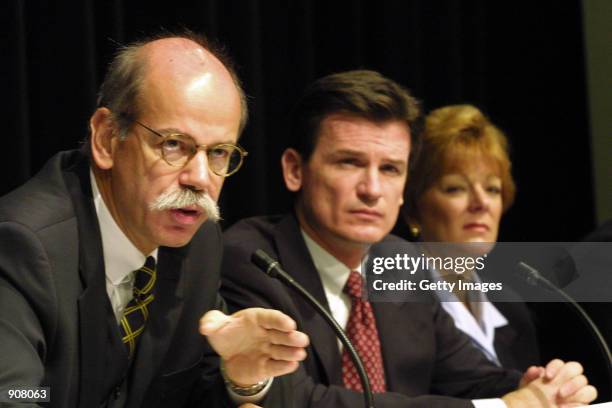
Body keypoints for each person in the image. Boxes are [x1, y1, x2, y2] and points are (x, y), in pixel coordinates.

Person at [220, 70, 596, 407]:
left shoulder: (401, 261)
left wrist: (541, 387)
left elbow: (469, 377)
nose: (372, 189)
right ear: (295, 170)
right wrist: (509, 407)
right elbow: (296, 398)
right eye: (349, 163)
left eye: (390, 169)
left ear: (404, 187)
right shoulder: (254, 259)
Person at [0, 32, 309, 408]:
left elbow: (194, 391)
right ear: (107, 138)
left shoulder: (198, 241)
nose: (199, 178)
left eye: (219, 153)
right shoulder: (22, 247)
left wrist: (240, 378)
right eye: (174, 144)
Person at [401, 104, 539, 371]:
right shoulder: (395, 307)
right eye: (456, 188)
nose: (481, 203)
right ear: (413, 207)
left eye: (492, 189)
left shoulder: (511, 308)